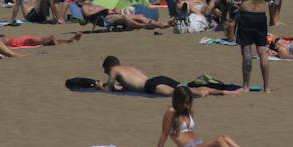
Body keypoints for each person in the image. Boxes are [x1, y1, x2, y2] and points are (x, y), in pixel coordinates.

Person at [155, 86, 262, 147]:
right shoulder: (171, 111)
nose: (187, 105)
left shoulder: (188, 111)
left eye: (188, 102)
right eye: (185, 102)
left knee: (224, 137)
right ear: (178, 101)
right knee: (219, 140)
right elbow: (164, 133)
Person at [100, 56, 244, 97]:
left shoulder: (114, 70)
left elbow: (109, 89)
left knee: (185, 93)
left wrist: (103, 87)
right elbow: (131, 83)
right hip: (157, 79)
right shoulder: (130, 67)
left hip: (150, 86)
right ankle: (229, 91)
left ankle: (210, 92)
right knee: (184, 88)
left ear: (108, 67)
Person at [233, 0, 271, 90]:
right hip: (261, 15)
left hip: (247, 15)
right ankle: (267, 87)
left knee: (247, 51)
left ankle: (246, 85)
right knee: (263, 52)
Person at [76, 0, 164, 31]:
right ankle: (144, 25)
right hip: (104, 18)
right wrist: (102, 10)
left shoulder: (93, 5)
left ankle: (160, 24)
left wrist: (111, 10)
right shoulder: (84, 7)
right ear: (79, 2)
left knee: (139, 16)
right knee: (125, 17)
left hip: (109, 14)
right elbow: (87, 15)